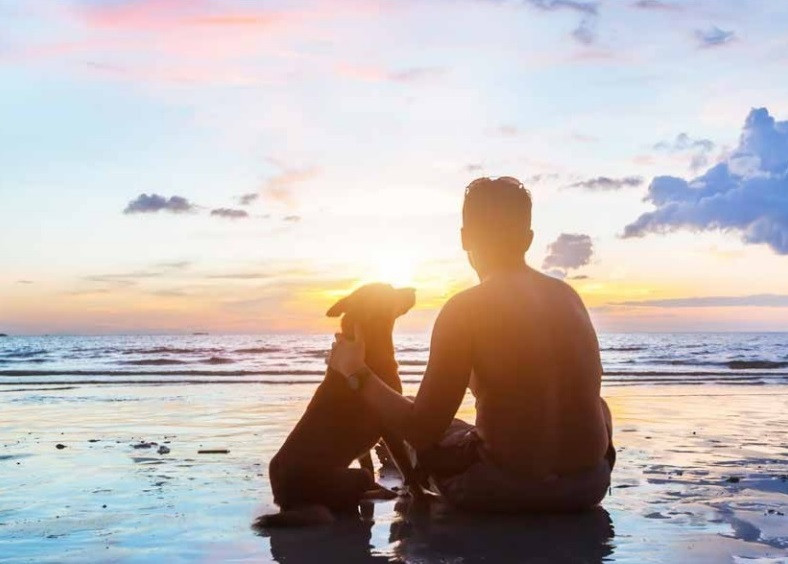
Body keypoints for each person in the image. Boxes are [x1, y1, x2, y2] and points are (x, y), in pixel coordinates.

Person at [328, 176, 614, 512]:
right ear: (528, 239)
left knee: (410, 420)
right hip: (587, 485)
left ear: (465, 239)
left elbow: (422, 429)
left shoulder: (464, 309)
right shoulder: (569, 298)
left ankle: (399, 460)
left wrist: (356, 371)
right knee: (600, 406)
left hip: (500, 491)